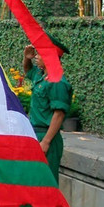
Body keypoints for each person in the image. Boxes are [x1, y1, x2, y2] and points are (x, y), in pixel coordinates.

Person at [23, 38, 72, 185]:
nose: (36, 56)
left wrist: (46, 141)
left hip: (46, 135)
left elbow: (59, 114)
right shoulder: (42, 75)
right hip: (35, 134)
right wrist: (27, 58)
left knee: (45, 184)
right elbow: (28, 72)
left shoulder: (58, 82)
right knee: (32, 181)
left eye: (40, 53)